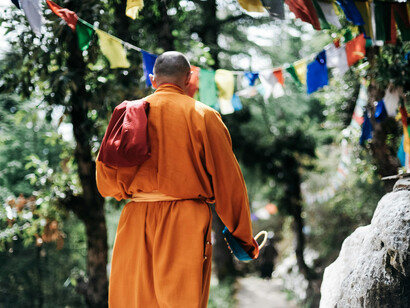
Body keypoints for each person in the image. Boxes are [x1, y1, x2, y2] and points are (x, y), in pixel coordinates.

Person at [96, 51, 259, 308]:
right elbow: (229, 183)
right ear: (189, 80)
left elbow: (105, 182)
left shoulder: (127, 115)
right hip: (186, 221)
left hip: (136, 220)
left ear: (153, 80)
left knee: (136, 301)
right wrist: (243, 239)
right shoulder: (204, 116)